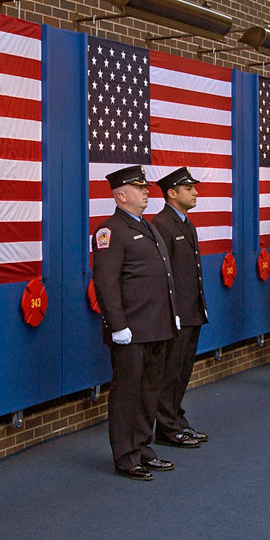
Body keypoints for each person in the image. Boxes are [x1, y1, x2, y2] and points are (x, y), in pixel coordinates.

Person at [91, 165, 179, 480]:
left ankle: (143, 449)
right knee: (128, 395)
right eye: (140, 189)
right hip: (131, 331)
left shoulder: (148, 227)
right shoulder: (110, 231)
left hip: (156, 326)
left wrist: (172, 313)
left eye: (145, 188)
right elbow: (105, 283)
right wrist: (117, 325)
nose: (146, 193)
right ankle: (126, 457)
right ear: (121, 194)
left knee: (149, 392)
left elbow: (163, 278)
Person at [150, 167, 207, 449]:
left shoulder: (186, 223)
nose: (195, 192)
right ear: (172, 193)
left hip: (191, 310)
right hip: (176, 314)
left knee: (182, 370)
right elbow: (164, 276)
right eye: (189, 189)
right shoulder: (161, 224)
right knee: (170, 372)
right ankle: (167, 427)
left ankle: (175, 418)